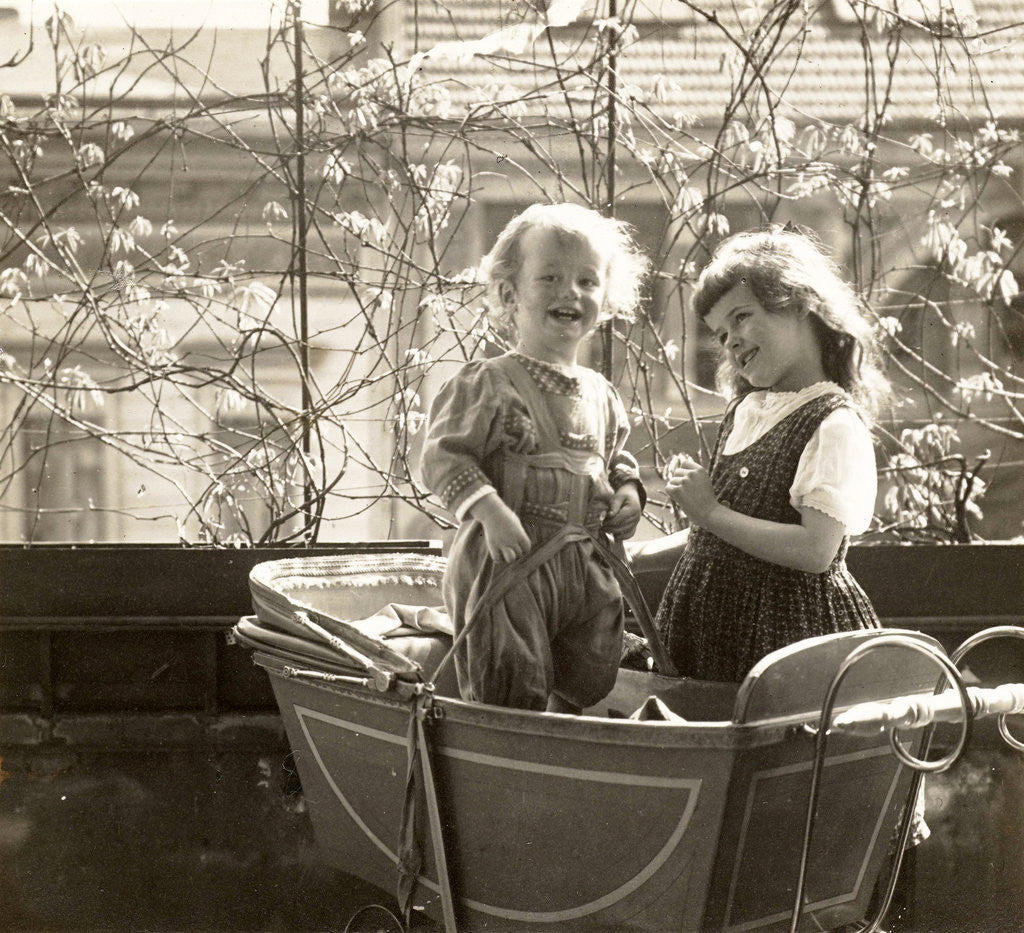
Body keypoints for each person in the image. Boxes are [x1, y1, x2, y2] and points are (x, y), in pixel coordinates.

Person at [420, 202, 649, 713]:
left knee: (590, 663)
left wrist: (628, 490)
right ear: (509, 294)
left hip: (581, 565)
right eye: (550, 277)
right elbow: (443, 456)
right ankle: (513, 747)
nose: (571, 292)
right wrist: (489, 511)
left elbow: (613, 458)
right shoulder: (490, 383)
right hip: (509, 563)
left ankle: (564, 738)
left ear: (605, 300)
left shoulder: (601, 393)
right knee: (510, 669)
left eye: (587, 282)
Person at [655, 226, 889, 683]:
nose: (731, 342)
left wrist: (708, 511)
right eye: (720, 334)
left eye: (741, 317)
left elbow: (817, 551)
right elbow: (716, 536)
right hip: (707, 631)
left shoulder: (832, 424)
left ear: (799, 303)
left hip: (782, 641)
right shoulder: (747, 410)